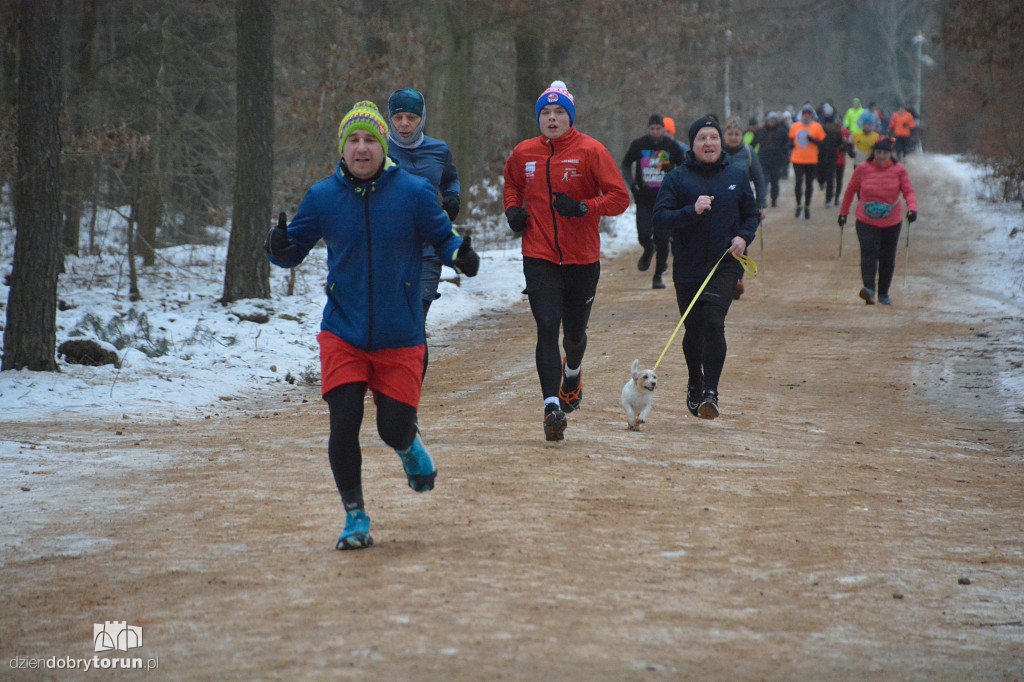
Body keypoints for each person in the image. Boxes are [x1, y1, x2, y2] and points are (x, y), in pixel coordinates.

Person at [266, 100, 480, 550]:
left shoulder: (415, 193)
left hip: (399, 334)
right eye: (353, 140)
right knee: (343, 422)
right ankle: (355, 517)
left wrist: (461, 254)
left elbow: (444, 239)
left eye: (369, 140)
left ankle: (409, 448)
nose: (361, 148)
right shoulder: (323, 197)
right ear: (342, 148)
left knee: (392, 427)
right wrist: (278, 245)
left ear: (384, 146)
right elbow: (291, 252)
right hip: (342, 332)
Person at [503, 80, 629, 441]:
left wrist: (584, 207)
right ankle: (551, 407)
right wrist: (513, 211)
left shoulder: (591, 150)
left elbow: (620, 198)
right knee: (546, 327)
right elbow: (512, 184)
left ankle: (572, 371)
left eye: (559, 112)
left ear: (570, 117)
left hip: (582, 258)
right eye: (546, 112)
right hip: (539, 254)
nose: (553, 118)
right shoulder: (524, 153)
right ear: (538, 118)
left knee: (573, 335)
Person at [652, 117, 760, 419]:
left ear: (721, 142)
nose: (709, 143)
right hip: (688, 265)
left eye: (713, 137)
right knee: (694, 328)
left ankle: (711, 391)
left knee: (714, 322)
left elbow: (751, 215)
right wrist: (691, 210)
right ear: (692, 144)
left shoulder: (737, 175)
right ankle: (695, 380)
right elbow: (660, 219)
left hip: (724, 264)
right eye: (702, 138)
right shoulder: (677, 178)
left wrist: (743, 237)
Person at [386, 88, 461, 376]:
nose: (405, 124)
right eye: (399, 117)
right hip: (388, 250)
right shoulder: (377, 150)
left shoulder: (438, 150)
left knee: (415, 316)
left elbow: (451, 178)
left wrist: (452, 197)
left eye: (412, 117)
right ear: (390, 118)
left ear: (422, 118)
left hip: (429, 249)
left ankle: (408, 388)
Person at [838, 136, 917, 306]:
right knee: (868, 252)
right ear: (873, 153)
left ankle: (883, 292)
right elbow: (850, 191)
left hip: (892, 221)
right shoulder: (862, 169)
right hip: (865, 219)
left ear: (890, 153)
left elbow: (908, 191)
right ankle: (869, 289)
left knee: (887, 257)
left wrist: (912, 209)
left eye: (885, 153)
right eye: (878, 152)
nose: (881, 156)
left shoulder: (899, 170)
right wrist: (843, 213)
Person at [621, 114, 685, 288]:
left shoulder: (671, 146)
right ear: (648, 129)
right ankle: (648, 249)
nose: (655, 132)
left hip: (665, 200)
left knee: (663, 238)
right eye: (652, 129)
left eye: (658, 129)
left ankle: (657, 277)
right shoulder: (638, 144)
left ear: (664, 130)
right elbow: (625, 164)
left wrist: (672, 174)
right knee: (643, 234)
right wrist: (632, 183)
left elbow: (685, 167)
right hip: (643, 198)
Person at [722, 117, 766, 300]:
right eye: (730, 134)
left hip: (742, 204)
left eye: (737, 134)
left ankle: (736, 282)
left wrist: (761, 204)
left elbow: (759, 178)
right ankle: (723, 280)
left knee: (740, 240)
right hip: (720, 204)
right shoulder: (717, 152)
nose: (733, 137)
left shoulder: (748, 153)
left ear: (742, 136)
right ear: (724, 135)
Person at [788, 103, 826, 219]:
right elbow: (791, 140)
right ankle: (798, 204)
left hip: (811, 159)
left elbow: (822, 143)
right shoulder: (795, 126)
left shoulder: (817, 127)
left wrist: (813, 140)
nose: (806, 117)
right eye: (804, 114)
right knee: (798, 182)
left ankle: (807, 206)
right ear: (802, 115)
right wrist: (787, 147)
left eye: (809, 114)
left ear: (812, 116)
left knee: (809, 183)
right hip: (797, 158)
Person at [755, 111, 789, 208]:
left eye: (773, 120)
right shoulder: (761, 131)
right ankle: (763, 200)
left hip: (776, 160)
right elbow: (755, 142)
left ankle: (774, 199)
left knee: (774, 181)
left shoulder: (782, 131)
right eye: (770, 120)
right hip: (763, 160)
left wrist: (783, 153)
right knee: (764, 180)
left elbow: (788, 143)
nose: (771, 122)